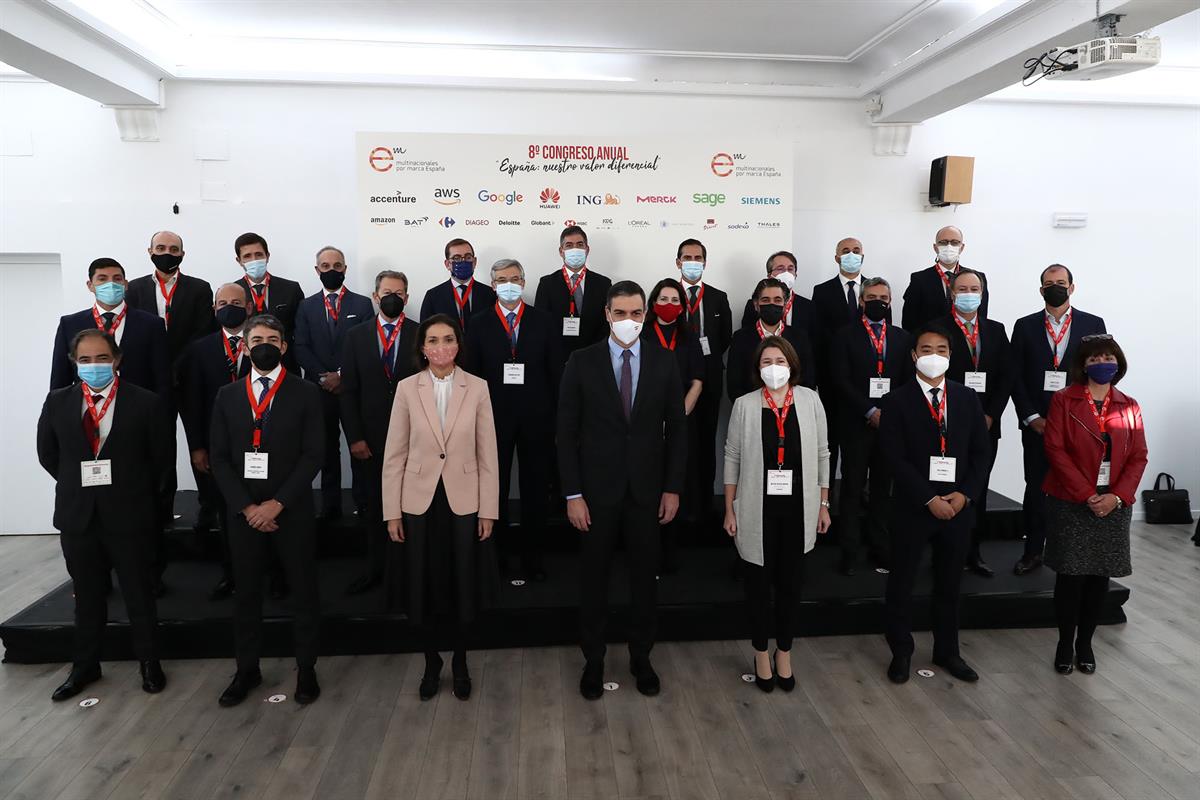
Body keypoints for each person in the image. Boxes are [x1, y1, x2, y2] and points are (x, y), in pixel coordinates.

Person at [557, 281, 687, 700]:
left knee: (644, 582)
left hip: (647, 492)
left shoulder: (665, 363)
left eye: (635, 314)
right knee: (593, 580)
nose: (628, 321)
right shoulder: (581, 361)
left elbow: (678, 432)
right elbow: (566, 433)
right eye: (620, 314)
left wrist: (672, 488)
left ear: (645, 315)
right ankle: (593, 661)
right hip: (595, 494)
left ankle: (641, 658)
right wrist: (572, 494)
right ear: (606, 315)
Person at [36, 329, 172, 701]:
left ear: (117, 360)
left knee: (138, 594)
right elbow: (49, 455)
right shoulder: (57, 401)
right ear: (73, 363)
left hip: (129, 515)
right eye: (85, 360)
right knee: (88, 596)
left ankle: (149, 663)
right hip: (78, 516)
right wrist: (81, 487)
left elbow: (160, 461)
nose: (94, 366)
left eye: (101, 359)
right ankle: (85, 666)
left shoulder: (145, 402)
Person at [382, 314, 500, 702]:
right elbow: (394, 454)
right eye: (433, 340)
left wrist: (488, 510)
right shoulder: (406, 389)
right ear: (422, 347)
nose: (441, 347)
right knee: (424, 585)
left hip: (464, 499)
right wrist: (392, 511)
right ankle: (432, 662)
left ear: (458, 344)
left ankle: (461, 662)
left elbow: (488, 454)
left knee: (462, 584)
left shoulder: (478, 387)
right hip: (418, 501)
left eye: (448, 339)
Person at [209, 314, 325, 707]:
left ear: (284, 346)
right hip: (244, 515)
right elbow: (220, 459)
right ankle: (247, 669)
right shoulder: (227, 395)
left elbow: (314, 454)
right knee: (247, 595)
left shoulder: (307, 392)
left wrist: (277, 503)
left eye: (272, 339)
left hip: (290, 509)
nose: (264, 344)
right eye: (256, 338)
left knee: (303, 592)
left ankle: (306, 669)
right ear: (244, 345)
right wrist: (247, 507)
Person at [879, 323, 991, 685]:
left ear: (950, 355)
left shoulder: (966, 398)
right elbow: (893, 458)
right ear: (914, 356)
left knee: (949, 584)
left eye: (941, 350)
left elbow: (980, 453)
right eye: (926, 349)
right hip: (914, 506)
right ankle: (901, 651)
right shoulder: (896, 401)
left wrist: (965, 494)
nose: (933, 356)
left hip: (958, 506)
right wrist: (928, 497)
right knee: (902, 582)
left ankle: (948, 651)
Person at [723, 336, 830, 693]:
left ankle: (783, 651)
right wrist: (730, 509)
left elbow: (823, 454)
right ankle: (759, 652)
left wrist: (824, 504)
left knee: (790, 586)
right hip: (756, 510)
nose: (774, 367)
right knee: (757, 587)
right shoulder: (744, 404)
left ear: (792, 365)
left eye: (780, 361)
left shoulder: (811, 400)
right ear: (757, 368)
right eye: (767, 361)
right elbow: (732, 458)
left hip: (799, 508)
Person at [1043, 335, 1147, 675]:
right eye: (1095, 358)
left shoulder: (1129, 404)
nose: (1103, 362)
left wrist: (1116, 496)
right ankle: (1064, 642)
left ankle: (1086, 643)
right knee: (1071, 578)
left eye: (1109, 356)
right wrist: (1087, 494)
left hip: (1113, 503)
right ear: (1083, 365)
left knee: (1099, 577)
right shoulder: (1064, 400)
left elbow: (1138, 456)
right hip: (1073, 499)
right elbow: (1055, 449)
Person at [464, 259, 562, 582]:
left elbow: (555, 372)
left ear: (524, 281)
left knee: (536, 490)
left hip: (537, 418)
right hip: (493, 418)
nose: (509, 283)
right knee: (497, 488)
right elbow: (472, 375)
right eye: (502, 279)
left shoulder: (544, 321)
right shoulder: (477, 324)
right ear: (492, 285)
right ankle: (499, 557)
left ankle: (534, 558)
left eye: (515, 278)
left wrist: (553, 415)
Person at [1009, 264, 1106, 575]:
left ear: (1072, 287)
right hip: (1038, 426)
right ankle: (1033, 552)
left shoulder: (1093, 323)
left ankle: (1075, 552)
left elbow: (1100, 372)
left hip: (1078, 426)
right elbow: (1015, 377)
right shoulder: (1024, 326)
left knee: (1078, 487)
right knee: (1036, 489)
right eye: (1049, 284)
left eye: (1061, 283)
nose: (1055, 288)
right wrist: (1031, 417)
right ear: (1041, 290)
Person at [126, 231, 217, 563]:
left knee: (201, 444)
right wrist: (160, 370)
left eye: (173, 249)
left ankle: (210, 508)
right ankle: (161, 511)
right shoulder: (133, 289)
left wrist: (175, 366)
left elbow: (202, 332)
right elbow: (132, 334)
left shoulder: (199, 288)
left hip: (190, 378)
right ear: (149, 250)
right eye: (161, 248)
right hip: (151, 385)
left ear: (183, 253)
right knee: (160, 451)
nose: (167, 253)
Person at [340, 270, 419, 596]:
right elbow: (348, 391)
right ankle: (376, 569)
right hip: (369, 441)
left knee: (412, 506)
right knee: (373, 507)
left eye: (399, 293)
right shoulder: (355, 336)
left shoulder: (420, 333)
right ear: (375, 296)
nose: (393, 297)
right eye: (387, 292)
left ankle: (410, 570)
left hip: (413, 439)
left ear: (407, 298)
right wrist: (355, 437)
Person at [829, 277, 913, 574]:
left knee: (882, 490)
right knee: (852, 489)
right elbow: (840, 379)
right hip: (855, 423)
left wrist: (888, 413)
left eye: (884, 297)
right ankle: (849, 550)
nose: (879, 302)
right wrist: (869, 410)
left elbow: (907, 382)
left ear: (891, 302)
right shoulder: (844, 335)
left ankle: (880, 548)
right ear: (862, 301)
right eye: (872, 297)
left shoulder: (903, 338)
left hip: (890, 426)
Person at [179, 283, 254, 600]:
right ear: (214, 309)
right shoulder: (200, 349)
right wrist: (197, 446)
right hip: (218, 449)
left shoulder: (265, 342)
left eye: (236, 302)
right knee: (227, 515)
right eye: (222, 302)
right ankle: (232, 573)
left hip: (260, 446)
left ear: (249, 307)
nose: (229, 307)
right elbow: (191, 402)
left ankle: (275, 574)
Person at [294, 245, 373, 520]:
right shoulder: (305, 306)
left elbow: (366, 346)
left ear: (345, 269)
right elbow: (300, 346)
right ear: (317, 271)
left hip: (352, 389)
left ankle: (364, 502)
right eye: (325, 266)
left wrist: (342, 376)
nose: (331, 271)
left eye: (337, 266)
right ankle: (330, 506)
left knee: (359, 447)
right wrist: (324, 377)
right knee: (325, 449)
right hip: (318, 390)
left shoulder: (362, 304)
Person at [942, 269, 1012, 578]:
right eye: (963, 288)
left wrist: (991, 414)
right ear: (952, 293)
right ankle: (945, 554)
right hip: (948, 423)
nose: (969, 293)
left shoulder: (996, 330)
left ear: (982, 293)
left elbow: (1006, 377)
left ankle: (973, 552)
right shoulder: (937, 329)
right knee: (947, 487)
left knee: (977, 490)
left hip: (985, 424)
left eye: (975, 288)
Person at [642, 277, 705, 573]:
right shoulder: (640, 332)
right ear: (653, 303)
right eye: (663, 299)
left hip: (680, 420)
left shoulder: (690, 335)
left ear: (682, 306)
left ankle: (670, 553)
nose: (669, 305)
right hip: (645, 421)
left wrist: (676, 417)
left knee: (674, 483)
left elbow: (697, 381)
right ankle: (646, 551)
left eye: (675, 300)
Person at [50, 258, 170, 397]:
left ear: (125, 284)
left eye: (117, 279)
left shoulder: (152, 324)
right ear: (90, 285)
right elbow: (60, 378)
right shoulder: (70, 324)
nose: (111, 284)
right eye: (102, 279)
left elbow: (163, 380)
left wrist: (164, 416)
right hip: (87, 407)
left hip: (139, 408)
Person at [676, 238, 732, 519]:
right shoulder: (669, 295)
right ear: (678, 262)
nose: (693, 262)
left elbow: (723, 339)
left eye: (698, 258)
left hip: (708, 381)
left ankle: (704, 502)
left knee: (706, 440)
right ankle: (679, 499)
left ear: (705, 263)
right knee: (679, 441)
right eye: (687, 257)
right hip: (676, 382)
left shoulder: (717, 297)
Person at [811, 237, 871, 484]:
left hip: (867, 380)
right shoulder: (822, 291)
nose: (851, 254)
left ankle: (857, 491)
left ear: (863, 256)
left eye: (856, 250)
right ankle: (827, 493)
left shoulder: (874, 288)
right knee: (830, 438)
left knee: (860, 444)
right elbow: (818, 335)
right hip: (832, 379)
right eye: (845, 251)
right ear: (836, 257)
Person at [727, 278, 816, 401]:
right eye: (765, 300)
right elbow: (734, 384)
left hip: (792, 408)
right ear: (756, 304)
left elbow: (808, 380)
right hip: (753, 410)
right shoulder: (740, 338)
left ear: (785, 304)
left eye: (777, 300)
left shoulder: (800, 337)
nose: (772, 304)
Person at [534, 225, 613, 364]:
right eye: (569, 245)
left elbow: (607, 324)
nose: (575, 249)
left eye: (579, 245)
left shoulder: (604, 284)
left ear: (587, 249)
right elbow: (541, 325)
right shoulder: (547, 284)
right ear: (561, 251)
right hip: (558, 361)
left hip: (594, 360)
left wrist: (593, 354)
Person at [901, 226, 990, 331]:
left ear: (961, 247)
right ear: (935, 247)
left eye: (954, 242)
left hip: (966, 339)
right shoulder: (919, 279)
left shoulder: (977, 278)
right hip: (933, 342)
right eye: (943, 242)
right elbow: (909, 321)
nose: (949, 246)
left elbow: (982, 316)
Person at [233, 232, 305, 349]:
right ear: (239, 261)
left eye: (258, 254)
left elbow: (302, 331)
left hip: (285, 361)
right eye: (247, 256)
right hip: (248, 361)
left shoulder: (291, 289)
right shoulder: (232, 293)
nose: (254, 260)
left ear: (267, 256)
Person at [418, 239, 496, 330]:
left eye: (468, 257)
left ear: (474, 262)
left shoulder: (490, 293)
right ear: (447, 264)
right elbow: (425, 332)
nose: (463, 261)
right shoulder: (433, 296)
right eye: (456, 258)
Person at [738, 250, 818, 335]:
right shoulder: (754, 305)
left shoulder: (809, 306)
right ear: (769, 275)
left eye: (790, 269)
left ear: (795, 275)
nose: (786, 273)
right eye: (780, 269)